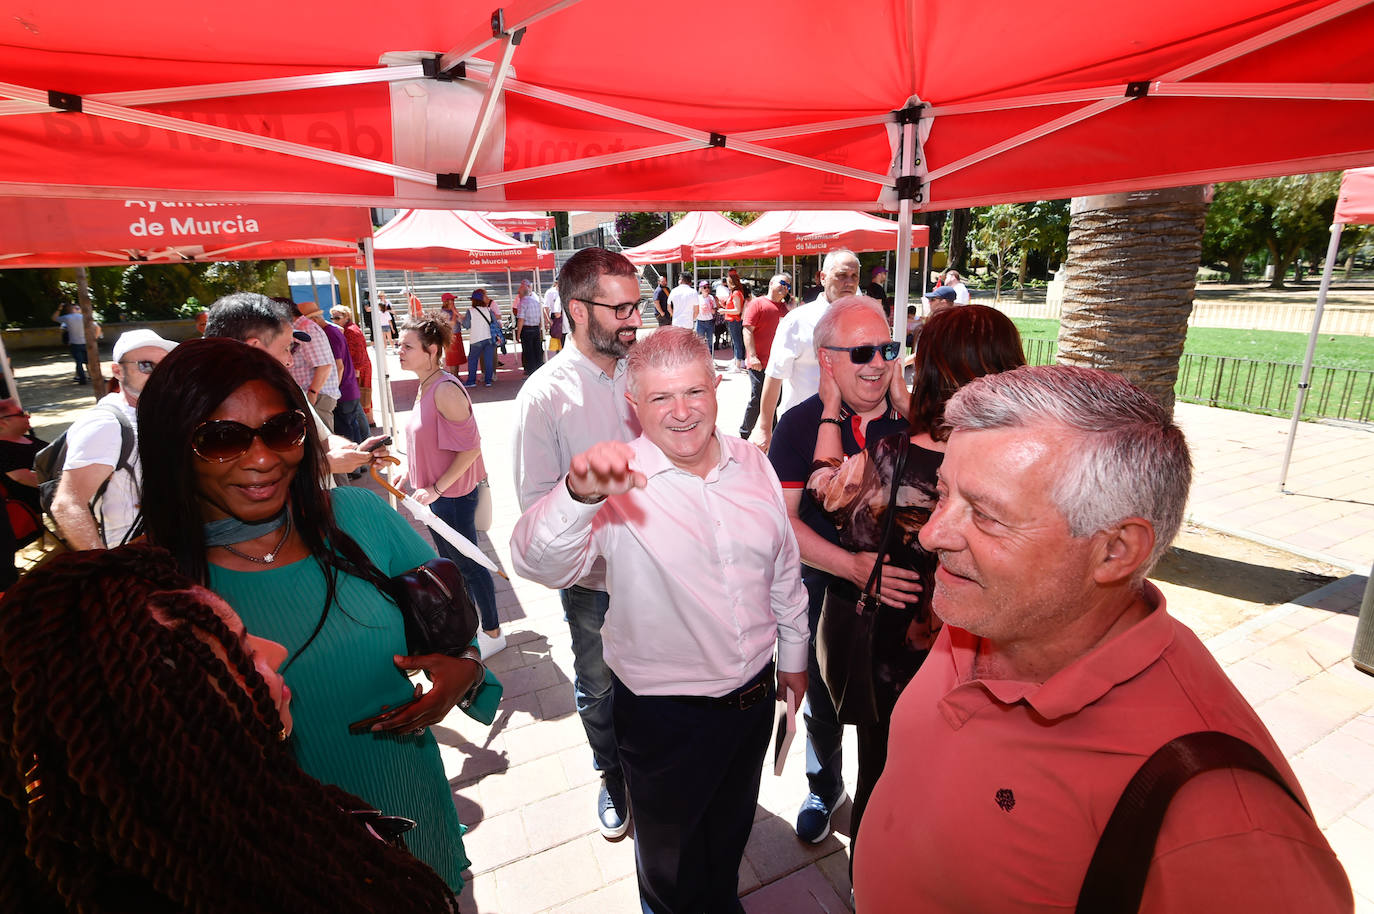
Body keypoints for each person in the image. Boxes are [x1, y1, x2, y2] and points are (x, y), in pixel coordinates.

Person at [853, 365, 1354, 913]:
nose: (932, 534)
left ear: (1116, 551)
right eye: (944, 494)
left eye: (988, 516)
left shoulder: (1221, 818)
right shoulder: (990, 610)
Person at [135, 338, 485, 891]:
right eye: (223, 440)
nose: (262, 458)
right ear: (172, 445)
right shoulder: (151, 590)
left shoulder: (359, 516)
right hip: (279, 865)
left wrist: (465, 671)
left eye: (282, 431)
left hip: (409, 805)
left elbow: (453, 624)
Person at [511, 327, 808, 914]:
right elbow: (534, 561)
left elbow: (784, 572)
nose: (681, 413)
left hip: (751, 707)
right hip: (663, 720)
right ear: (633, 405)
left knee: (726, 844)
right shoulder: (613, 481)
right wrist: (576, 495)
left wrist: (794, 664)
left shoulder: (754, 464)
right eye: (660, 398)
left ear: (717, 387)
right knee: (670, 875)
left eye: (694, 392)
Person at [0, 545, 459, 914]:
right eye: (241, 649)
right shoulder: (260, 884)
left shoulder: (231, 821)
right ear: (173, 713)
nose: (276, 651)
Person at [805, 304, 1026, 865]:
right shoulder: (1026, 465)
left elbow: (827, 490)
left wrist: (832, 413)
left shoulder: (895, 459)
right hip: (990, 656)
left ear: (926, 374)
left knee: (882, 772)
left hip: (904, 657)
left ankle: (873, 880)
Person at [766, 296, 913, 845]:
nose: (877, 363)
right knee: (823, 712)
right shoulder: (801, 426)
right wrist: (849, 565)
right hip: (825, 596)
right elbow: (784, 525)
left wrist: (911, 406)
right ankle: (824, 789)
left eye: (887, 350)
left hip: (902, 607)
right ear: (826, 361)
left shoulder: (913, 423)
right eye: (861, 353)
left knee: (893, 718)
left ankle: (887, 804)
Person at [511, 247, 643, 839]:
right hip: (594, 584)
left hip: (662, 570)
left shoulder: (646, 372)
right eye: (620, 309)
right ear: (577, 311)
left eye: (638, 306)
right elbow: (537, 511)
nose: (634, 320)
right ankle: (612, 775)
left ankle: (650, 769)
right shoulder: (544, 396)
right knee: (598, 685)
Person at [397, 315, 505, 659]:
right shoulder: (425, 384)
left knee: (468, 563)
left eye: (407, 346)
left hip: (454, 496)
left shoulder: (444, 389)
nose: (398, 351)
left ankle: (493, 631)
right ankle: (475, 626)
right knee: (456, 564)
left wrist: (438, 489)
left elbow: (471, 447)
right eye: (399, 345)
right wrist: (409, 472)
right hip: (440, 495)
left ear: (431, 351)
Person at [206, 293, 385, 478]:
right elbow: (245, 480)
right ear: (254, 347)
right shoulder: (212, 406)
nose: (290, 361)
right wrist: (322, 464)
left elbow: (324, 438)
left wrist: (354, 450)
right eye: (286, 349)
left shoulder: (286, 390)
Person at [51, 328, 176, 549]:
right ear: (118, 371)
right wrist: (104, 566)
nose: (159, 375)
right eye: (146, 365)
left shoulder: (160, 413)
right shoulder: (106, 425)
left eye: (166, 366)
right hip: (134, 555)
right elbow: (67, 504)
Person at [753, 248, 862, 451]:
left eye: (854, 276)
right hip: (804, 430)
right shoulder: (798, 321)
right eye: (841, 275)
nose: (849, 282)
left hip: (850, 429)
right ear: (823, 277)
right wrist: (764, 427)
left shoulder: (863, 319)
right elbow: (775, 375)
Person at [739, 273, 791, 439]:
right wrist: (752, 356)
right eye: (782, 283)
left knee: (774, 400)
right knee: (758, 399)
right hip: (758, 363)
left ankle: (773, 436)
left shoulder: (784, 308)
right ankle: (744, 435)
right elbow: (747, 330)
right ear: (771, 283)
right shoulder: (757, 304)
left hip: (775, 364)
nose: (785, 287)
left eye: (788, 286)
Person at [0, 399, 44, 589]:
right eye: (20, 414)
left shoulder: (29, 439)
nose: (27, 416)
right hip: (35, 499)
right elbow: (23, 478)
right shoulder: (3, 449)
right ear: (3, 422)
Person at [285, 299, 338, 431]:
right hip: (313, 395)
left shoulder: (306, 328)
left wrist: (312, 394)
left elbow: (324, 366)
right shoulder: (302, 327)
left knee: (323, 443)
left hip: (316, 396)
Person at [333, 305, 375, 429]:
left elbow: (358, 352)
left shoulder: (350, 330)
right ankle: (370, 421)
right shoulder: (349, 328)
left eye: (337, 317)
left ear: (346, 317)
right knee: (364, 393)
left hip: (359, 367)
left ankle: (368, 422)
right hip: (361, 366)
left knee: (362, 394)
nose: (334, 320)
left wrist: (356, 371)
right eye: (332, 318)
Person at [52, 302, 100, 385]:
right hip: (86, 342)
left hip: (74, 343)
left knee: (79, 362)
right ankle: (94, 377)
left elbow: (54, 318)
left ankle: (82, 379)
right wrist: (94, 338)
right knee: (89, 361)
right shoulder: (84, 317)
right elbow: (97, 327)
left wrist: (59, 309)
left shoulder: (67, 318)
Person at [465, 288, 500, 388]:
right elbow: (495, 323)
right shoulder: (489, 310)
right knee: (488, 360)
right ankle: (488, 380)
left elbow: (466, 325)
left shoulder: (470, 311)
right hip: (489, 338)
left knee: (473, 360)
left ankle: (471, 381)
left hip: (476, 339)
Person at [514, 279, 545, 377]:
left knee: (528, 351)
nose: (518, 294)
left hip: (527, 329)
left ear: (522, 293)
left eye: (519, 292)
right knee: (537, 350)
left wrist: (518, 333)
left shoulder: (522, 303)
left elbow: (521, 319)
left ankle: (531, 372)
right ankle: (539, 369)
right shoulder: (536, 302)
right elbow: (541, 317)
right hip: (536, 328)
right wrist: (539, 328)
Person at [722, 270, 747, 372]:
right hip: (733, 320)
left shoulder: (736, 293)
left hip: (735, 320)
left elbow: (737, 310)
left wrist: (724, 310)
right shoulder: (735, 293)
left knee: (737, 342)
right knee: (737, 342)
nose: (727, 285)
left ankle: (738, 364)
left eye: (728, 283)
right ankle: (739, 362)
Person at [438, 292, 467, 373]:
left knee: (457, 358)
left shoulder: (452, 310)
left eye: (453, 300)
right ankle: (454, 377)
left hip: (457, 335)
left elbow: (462, 319)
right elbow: (452, 324)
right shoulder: (444, 312)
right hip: (450, 337)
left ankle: (456, 376)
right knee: (453, 359)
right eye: (451, 300)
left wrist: (455, 312)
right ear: (446, 301)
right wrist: (454, 313)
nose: (453, 301)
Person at [693, 279, 716, 351]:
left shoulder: (711, 298)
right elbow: (694, 309)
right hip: (700, 322)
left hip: (709, 322)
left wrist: (711, 310)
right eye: (704, 287)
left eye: (708, 287)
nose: (707, 289)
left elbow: (714, 311)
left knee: (710, 342)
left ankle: (709, 358)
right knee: (699, 342)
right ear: (700, 289)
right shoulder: (697, 298)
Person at [543, 284, 565, 354]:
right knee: (558, 342)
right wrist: (548, 321)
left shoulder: (568, 289)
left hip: (565, 318)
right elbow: (546, 307)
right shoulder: (550, 292)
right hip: (557, 319)